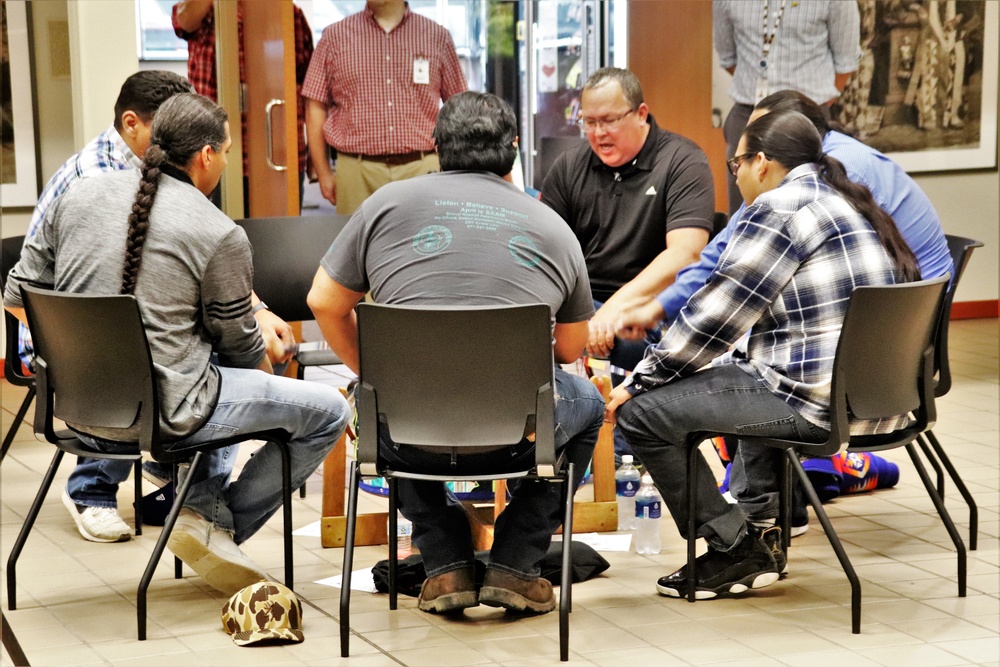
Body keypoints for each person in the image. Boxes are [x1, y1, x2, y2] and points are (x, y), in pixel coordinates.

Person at [4, 93, 350, 595]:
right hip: (168, 418)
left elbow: (18, 295)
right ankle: (215, 524)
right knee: (326, 412)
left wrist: (78, 351)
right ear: (207, 155)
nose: (227, 162)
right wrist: (270, 361)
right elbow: (241, 355)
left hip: (73, 408)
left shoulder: (74, 198)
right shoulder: (216, 230)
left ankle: (201, 511)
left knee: (203, 374)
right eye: (228, 151)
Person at [307, 91, 604, 615]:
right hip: (517, 440)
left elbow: (324, 302)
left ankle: (445, 567)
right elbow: (570, 348)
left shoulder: (383, 205)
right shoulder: (552, 226)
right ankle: (515, 565)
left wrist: (371, 374)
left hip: (403, 438)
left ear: (435, 145)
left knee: (373, 400)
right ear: (513, 149)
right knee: (587, 402)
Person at [605, 109, 921, 599]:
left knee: (645, 415)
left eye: (735, 165)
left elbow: (714, 317)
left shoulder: (780, 208)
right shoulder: (846, 200)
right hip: (878, 398)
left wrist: (639, 382)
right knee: (745, 370)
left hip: (814, 405)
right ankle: (763, 531)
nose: (735, 178)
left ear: (762, 162)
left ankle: (736, 547)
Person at [15, 71, 197, 543]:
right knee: (140, 346)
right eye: (168, 128)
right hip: (69, 330)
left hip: (113, 319)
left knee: (193, 337)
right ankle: (91, 490)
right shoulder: (99, 180)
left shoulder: (153, 170)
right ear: (132, 123)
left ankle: (183, 482)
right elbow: (37, 292)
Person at [540, 66, 714, 459]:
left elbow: (685, 253)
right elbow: (544, 254)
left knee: (636, 338)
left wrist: (613, 311)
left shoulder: (683, 160)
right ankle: (555, 449)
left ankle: (623, 453)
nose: (599, 133)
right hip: (581, 304)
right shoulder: (569, 167)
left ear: (641, 113)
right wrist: (584, 315)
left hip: (652, 307)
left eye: (610, 120)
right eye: (589, 122)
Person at [301, 0, 467, 215]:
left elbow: (460, 108)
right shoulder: (334, 37)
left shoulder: (437, 37)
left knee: (426, 244)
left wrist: (462, 172)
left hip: (423, 169)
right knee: (360, 247)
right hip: (356, 173)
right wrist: (323, 172)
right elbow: (315, 105)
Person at [714, 0, 860, 214]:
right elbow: (728, 58)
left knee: (812, 209)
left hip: (807, 118)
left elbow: (846, 63)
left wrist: (810, 106)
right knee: (743, 212)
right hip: (748, 115)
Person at [172, 0, 315, 213]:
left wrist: (313, 152)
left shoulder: (289, 14)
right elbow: (184, 21)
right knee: (216, 233)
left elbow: (308, 89)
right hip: (214, 150)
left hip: (275, 151)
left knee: (280, 234)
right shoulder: (210, 11)